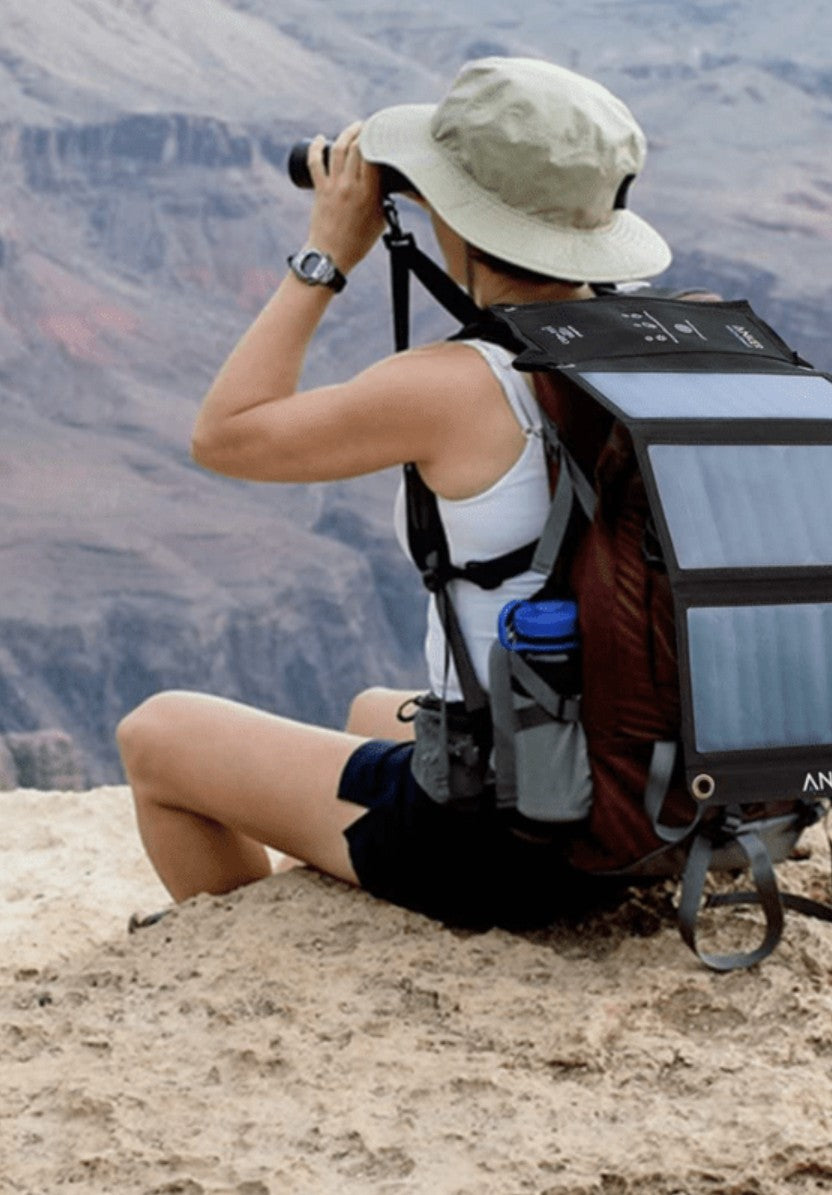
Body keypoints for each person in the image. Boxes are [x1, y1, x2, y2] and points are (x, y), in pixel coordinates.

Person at [116, 57, 671, 928]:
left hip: (508, 842)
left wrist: (328, 252)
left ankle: (256, 942)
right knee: (372, 713)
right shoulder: (654, 350)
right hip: (652, 798)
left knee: (157, 734)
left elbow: (223, 435)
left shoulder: (454, 385)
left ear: (453, 211)